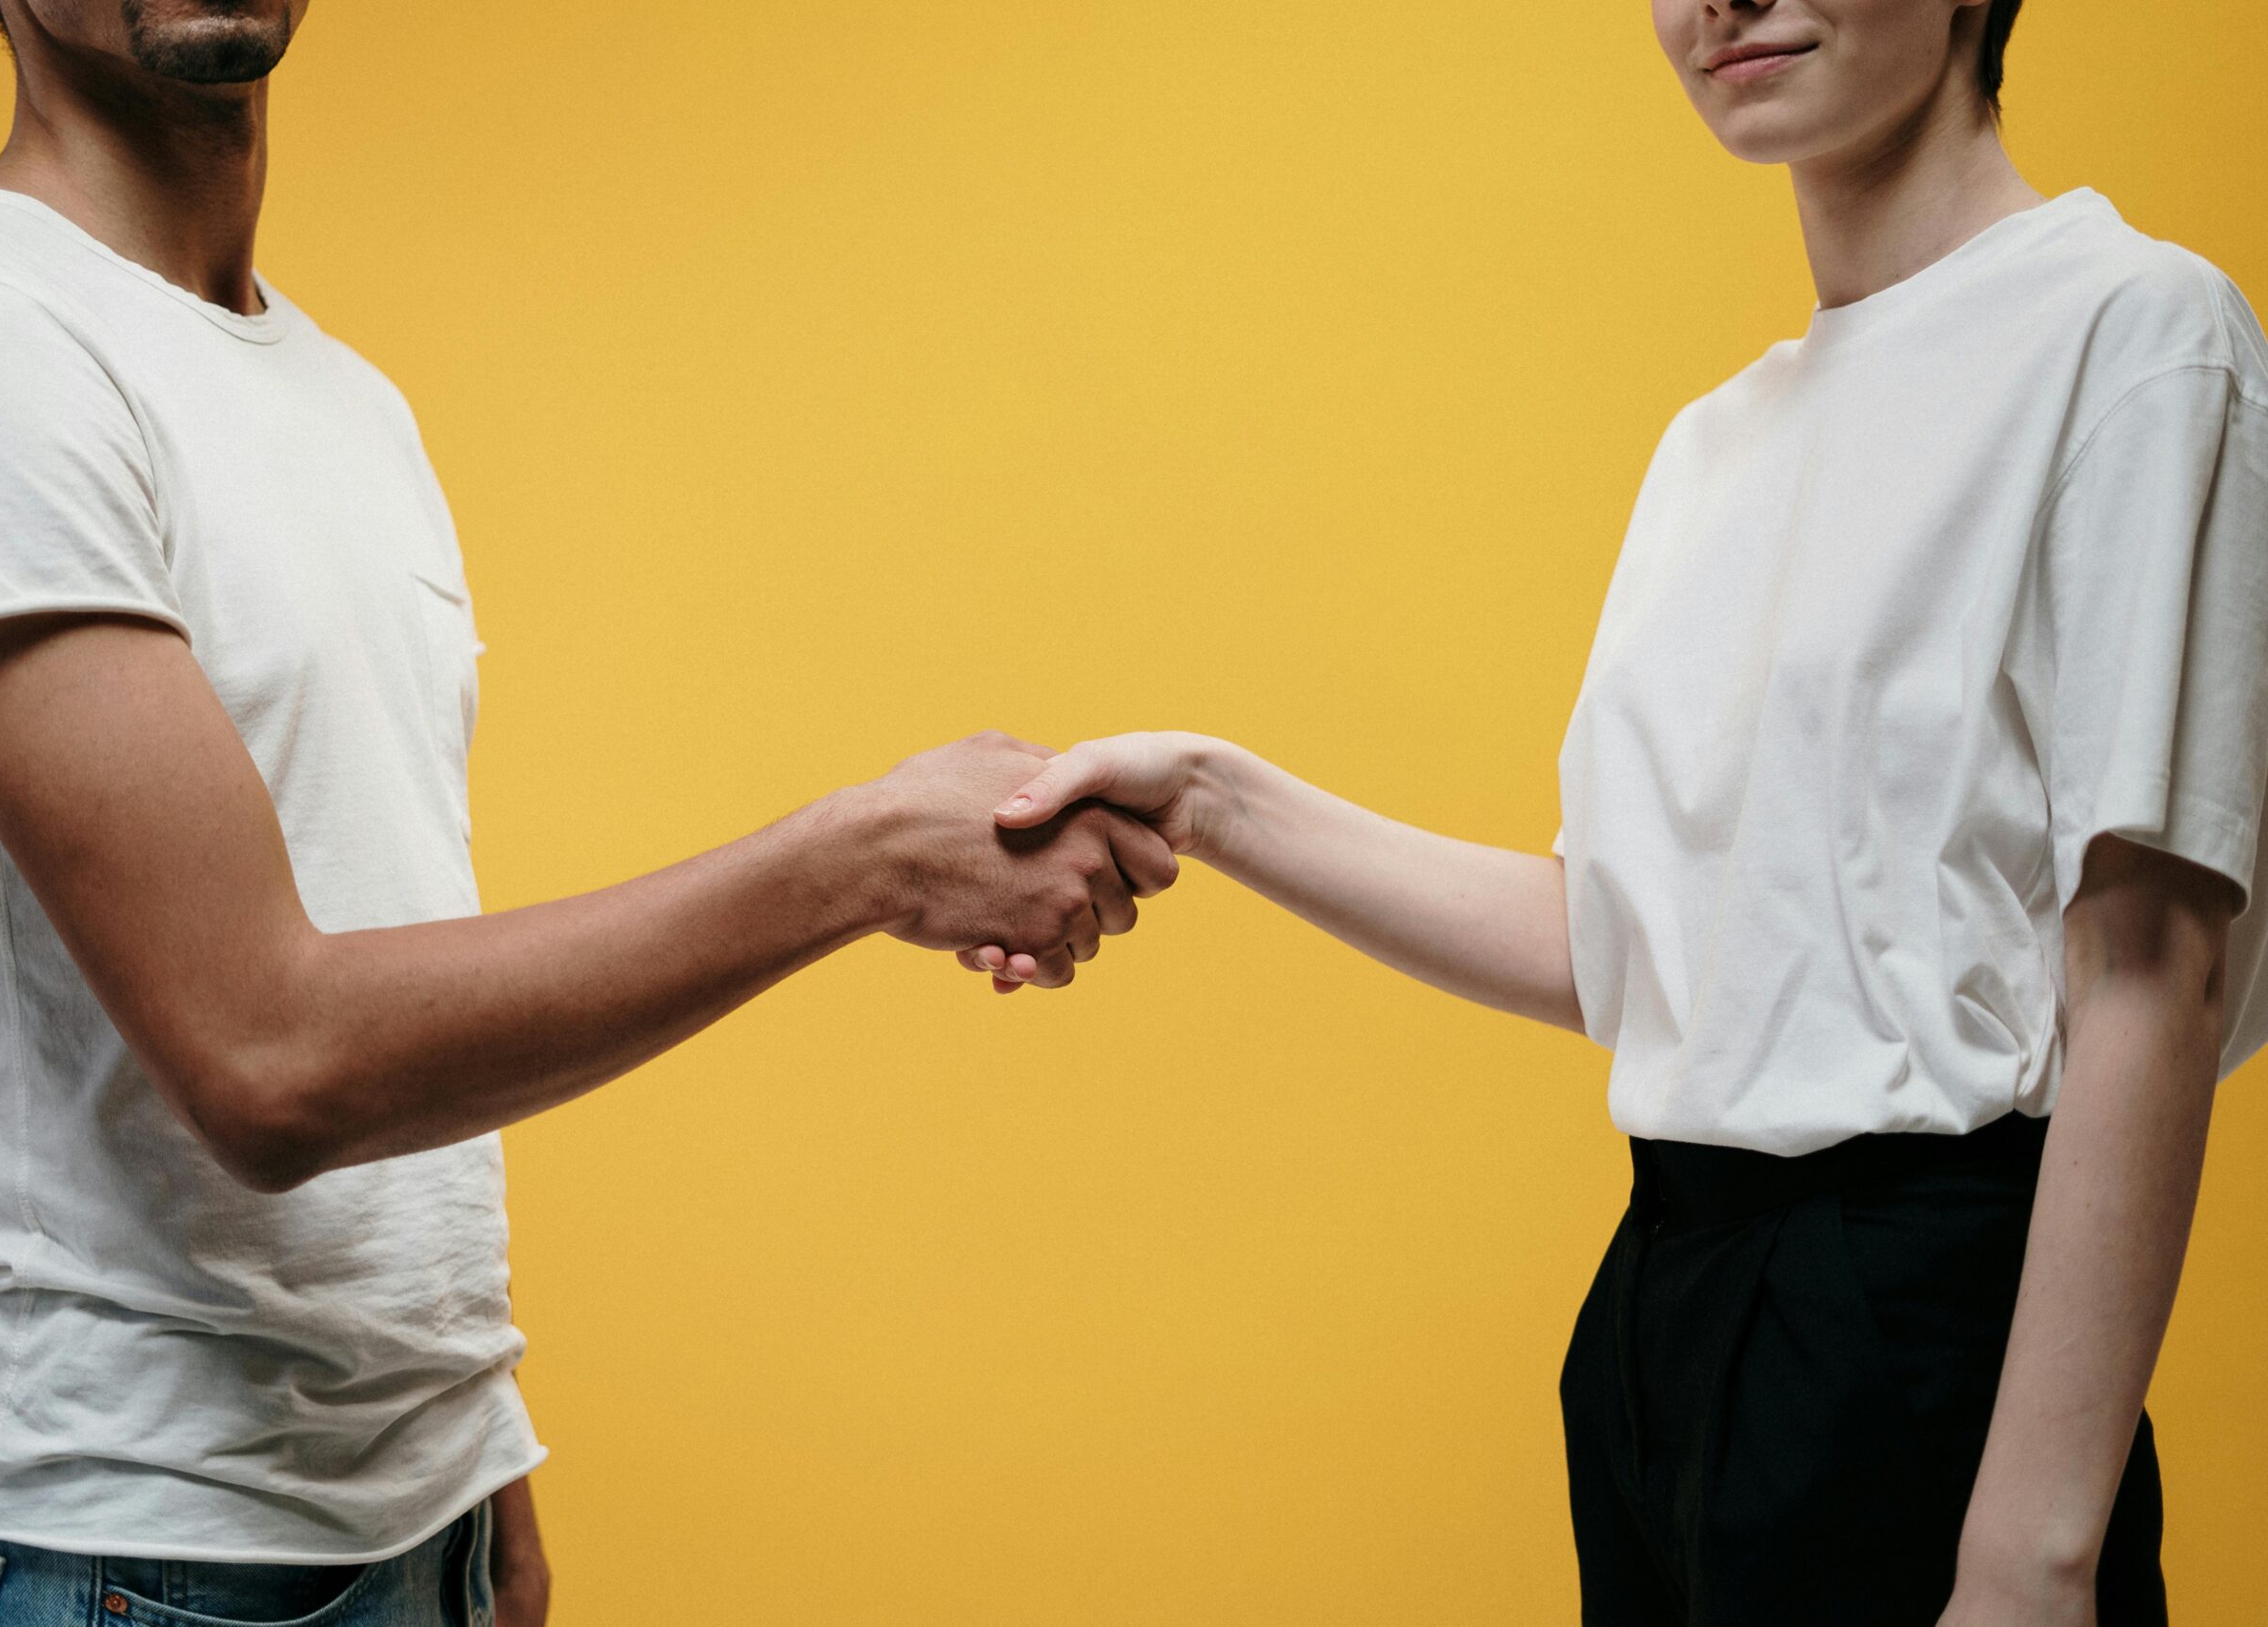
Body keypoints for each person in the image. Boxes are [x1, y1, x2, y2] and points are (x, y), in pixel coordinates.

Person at [0, 3, 1180, 1624]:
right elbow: (270, 1060)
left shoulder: (343, 398)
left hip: (417, 1527)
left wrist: (479, 1452)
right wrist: (859, 862)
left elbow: (390, 939)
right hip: (103, 1551)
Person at [968, 0, 2268, 1621]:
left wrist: (2036, 1551)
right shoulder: (1713, 446)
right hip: (1668, 1322)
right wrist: (1214, 798)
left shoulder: (2137, 333)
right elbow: (1635, 952)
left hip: (1931, 1338)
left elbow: (2150, 968)